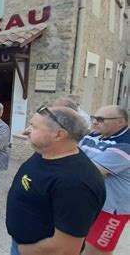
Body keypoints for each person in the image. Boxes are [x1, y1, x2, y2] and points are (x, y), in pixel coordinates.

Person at [6, 106, 106, 255]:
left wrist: (23, 250)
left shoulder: (77, 183)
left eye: (34, 126)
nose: (27, 130)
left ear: (59, 135)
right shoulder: (45, 152)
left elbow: (65, 249)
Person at [79, 105, 130, 255]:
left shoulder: (126, 145)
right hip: (92, 204)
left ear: (120, 122)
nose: (94, 122)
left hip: (111, 209)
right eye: (93, 118)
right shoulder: (94, 135)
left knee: (95, 251)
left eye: (100, 119)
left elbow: (89, 171)